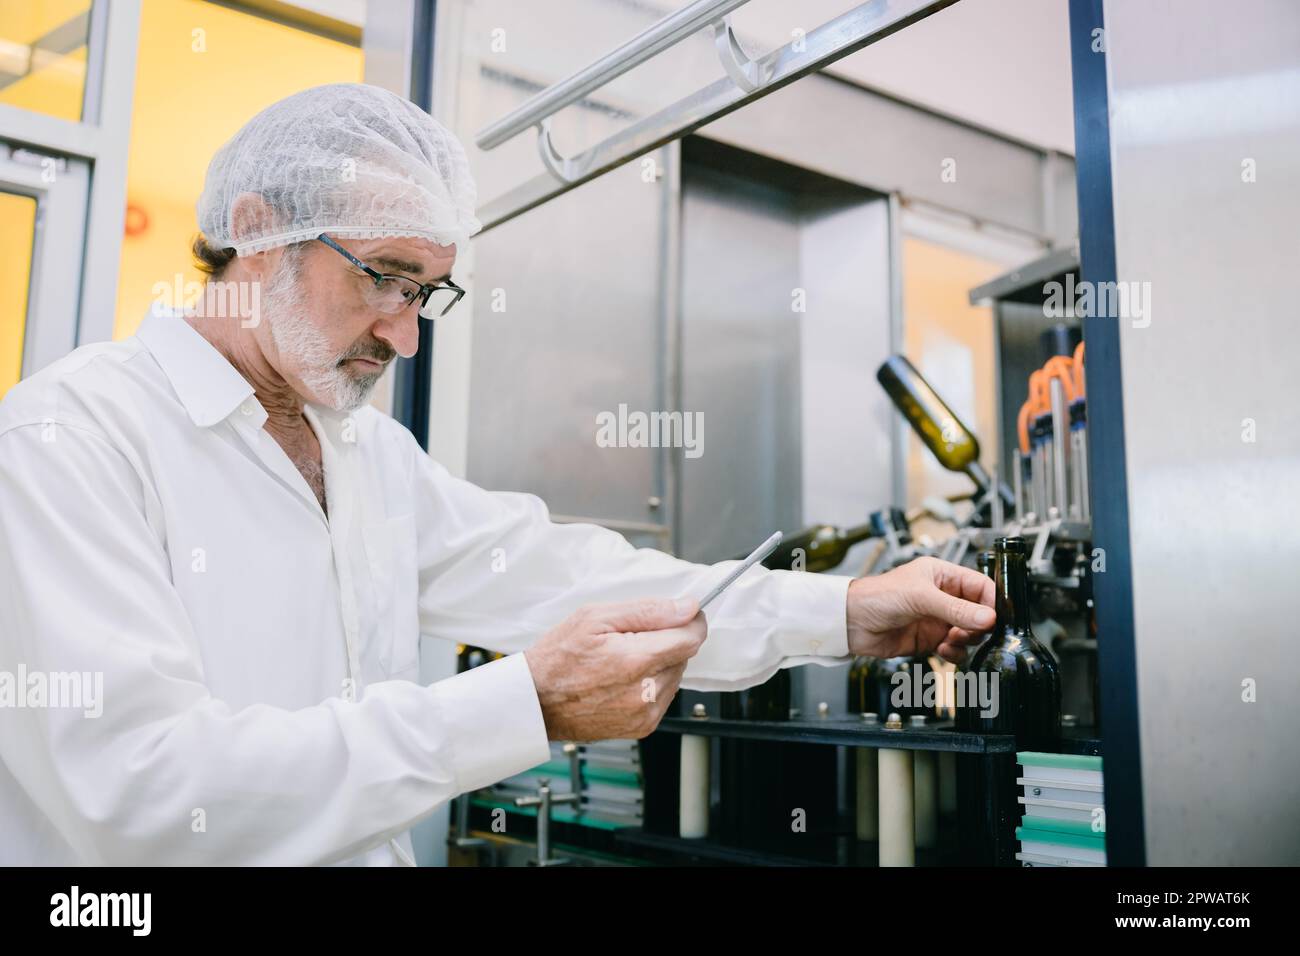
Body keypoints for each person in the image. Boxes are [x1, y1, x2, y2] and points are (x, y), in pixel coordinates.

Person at [0, 84, 994, 865]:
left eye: (426, 293)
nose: (403, 331)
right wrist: (524, 705)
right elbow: (145, 792)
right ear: (257, 230)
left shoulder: (364, 451)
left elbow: (566, 577)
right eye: (382, 275)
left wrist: (844, 611)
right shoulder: (73, 437)